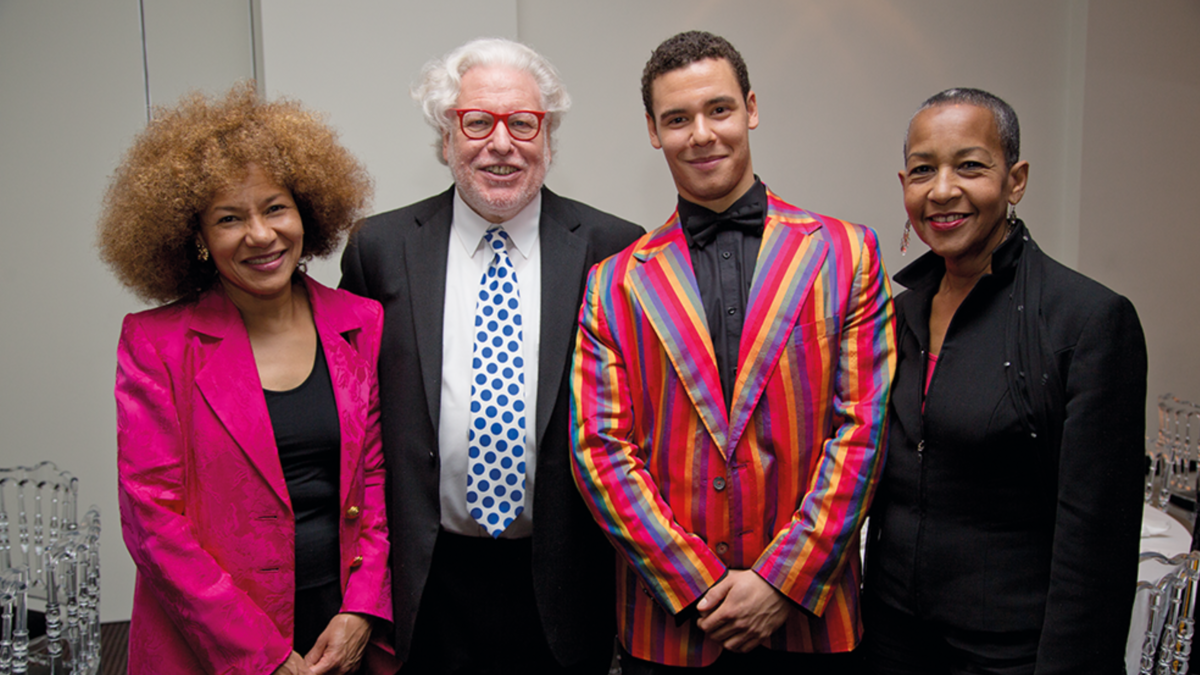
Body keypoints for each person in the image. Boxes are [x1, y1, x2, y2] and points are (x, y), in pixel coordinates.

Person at [570, 31, 897, 672]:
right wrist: (695, 584)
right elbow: (600, 451)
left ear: (750, 107)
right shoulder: (614, 282)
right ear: (652, 130)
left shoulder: (847, 253)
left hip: (811, 617)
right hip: (673, 627)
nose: (701, 133)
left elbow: (864, 431)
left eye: (718, 109)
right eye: (677, 118)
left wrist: (781, 581)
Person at [339, 38, 642, 673]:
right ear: (445, 137)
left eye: (523, 123)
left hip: (562, 580)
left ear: (548, 138)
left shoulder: (614, 249)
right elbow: (351, 422)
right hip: (427, 581)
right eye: (476, 121)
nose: (500, 143)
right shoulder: (380, 248)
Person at [101, 83, 396, 675]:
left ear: (305, 213)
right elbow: (153, 523)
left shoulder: (359, 322)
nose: (261, 235)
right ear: (200, 240)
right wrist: (259, 654)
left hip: (339, 631)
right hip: (212, 644)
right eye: (229, 218)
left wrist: (363, 609)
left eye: (275, 208)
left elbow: (378, 482)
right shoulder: (155, 343)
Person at [861, 88, 1148, 674]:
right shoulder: (895, 316)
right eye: (923, 171)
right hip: (891, 639)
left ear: (1015, 180)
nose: (942, 190)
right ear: (904, 186)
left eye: (970, 166)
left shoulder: (1086, 320)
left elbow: (1096, 548)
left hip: (1010, 653)